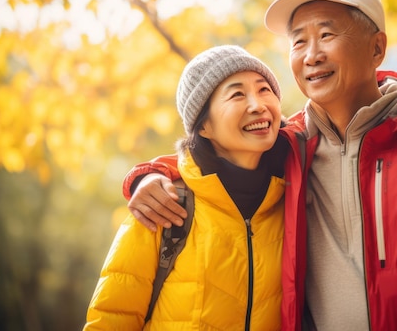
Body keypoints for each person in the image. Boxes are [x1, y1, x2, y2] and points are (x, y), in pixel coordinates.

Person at [122, 0, 397, 330]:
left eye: (326, 35)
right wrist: (147, 176)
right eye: (298, 41)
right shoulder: (291, 144)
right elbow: (216, 154)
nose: (311, 54)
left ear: (376, 48)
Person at [84, 45, 304, 330]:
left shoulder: (294, 193)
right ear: (204, 127)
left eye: (264, 90)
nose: (258, 105)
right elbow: (111, 318)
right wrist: (144, 175)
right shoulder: (164, 204)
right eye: (237, 94)